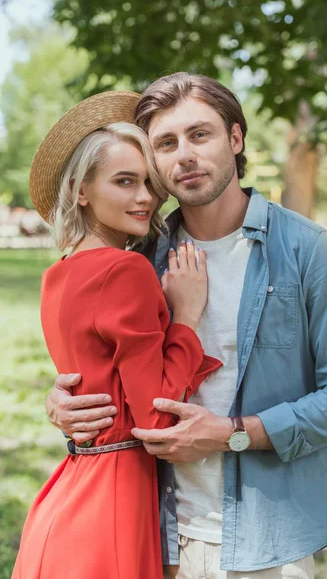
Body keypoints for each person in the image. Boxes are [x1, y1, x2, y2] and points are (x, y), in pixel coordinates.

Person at [46, 74, 327, 579]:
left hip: (268, 543)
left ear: (236, 139)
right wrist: (64, 401)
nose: (185, 156)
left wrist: (231, 434)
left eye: (200, 135)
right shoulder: (139, 261)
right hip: (156, 541)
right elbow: (115, 369)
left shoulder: (308, 250)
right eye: (166, 143)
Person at [12, 90, 222, 579]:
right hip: (114, 498)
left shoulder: (57, 274)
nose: (146, 197)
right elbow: (156, 416)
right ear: (80, 191)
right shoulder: (126, 270)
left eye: (149, 182)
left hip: (70, 488)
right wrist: (186, 317)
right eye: (125, 182)